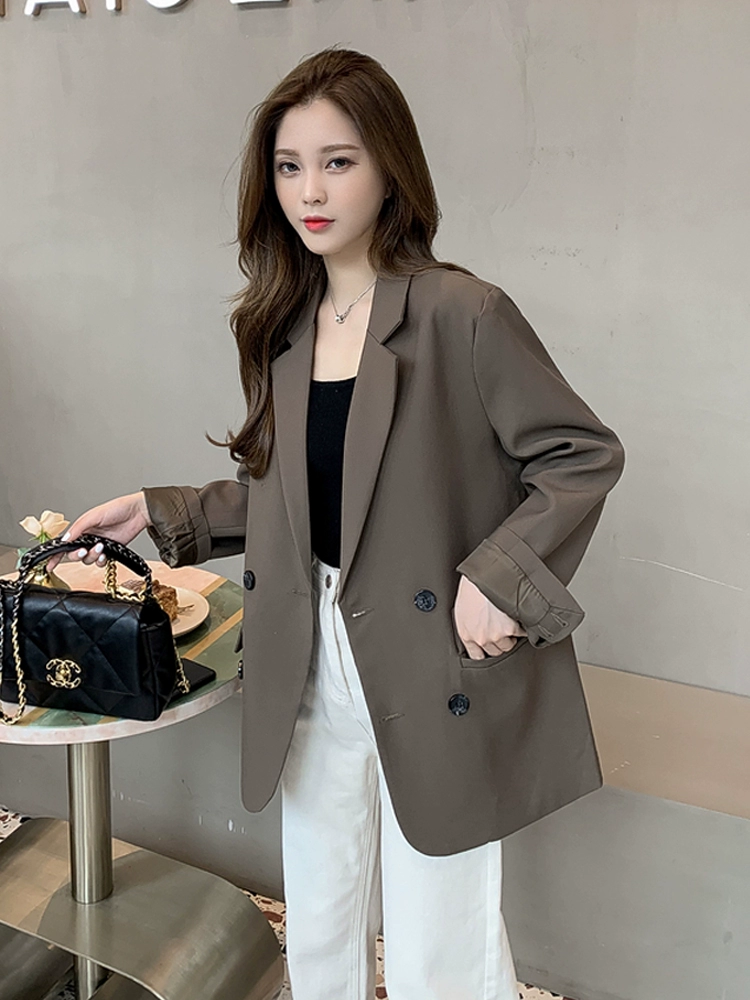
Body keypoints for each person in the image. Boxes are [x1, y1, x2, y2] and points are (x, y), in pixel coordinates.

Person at [56, 47, 625, 1000]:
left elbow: (581, 453)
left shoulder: (461, 313)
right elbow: (303, 495)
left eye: (337, 161)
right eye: (289, 166)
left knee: (440, 932)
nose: (309, 191)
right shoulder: (288, 322)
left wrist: (500, 578)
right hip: (306, 640)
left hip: (425, 649)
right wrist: (162, 512)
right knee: (321, 911)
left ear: (389, 168)